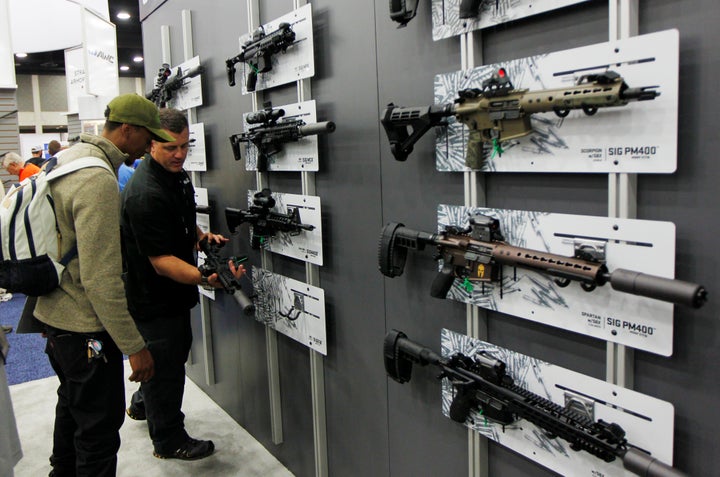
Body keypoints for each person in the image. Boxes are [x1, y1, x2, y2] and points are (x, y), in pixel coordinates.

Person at [32, 93, 172, 477]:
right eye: (147, 135)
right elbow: (101, 278)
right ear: (126, 129)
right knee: (98, 430)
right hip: (85, 329)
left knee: (72, 409)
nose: (150, 144)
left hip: (56, 318)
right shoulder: (96, 178)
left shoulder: (67, 159)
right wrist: (135, 347)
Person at [120, 108, 245, 461]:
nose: (179, 154)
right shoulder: (144, 194)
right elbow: (161, 263)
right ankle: (169, 440)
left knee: (167, 359)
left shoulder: (176, 176)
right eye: (170, 147)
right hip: (153, 297)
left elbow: (182, 225)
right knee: (167, 368)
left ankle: (143, 405)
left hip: (173, 293)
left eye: (185, 146)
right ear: (150, 145)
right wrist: (208, 278)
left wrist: (203, 239)